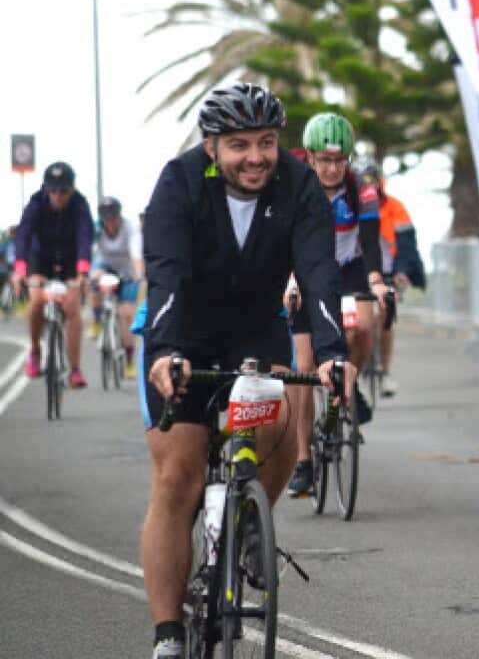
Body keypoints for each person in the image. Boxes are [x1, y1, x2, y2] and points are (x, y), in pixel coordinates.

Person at [140, 82, 354, 659]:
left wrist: (334, 354)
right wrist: (164, 351)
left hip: (255, 328)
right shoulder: (179, 183)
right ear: (212, 147)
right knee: (178, 478)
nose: (256, 156)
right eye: (239, 145)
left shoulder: (299, 183)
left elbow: (318, 274)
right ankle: (168, 635)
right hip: (182, 328)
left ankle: (252, 511)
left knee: (281, 412)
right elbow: (165, 274)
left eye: (265, 142)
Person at [284, 112, 387, 498]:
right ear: (309, 157)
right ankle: (303, 459)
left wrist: (377, 282)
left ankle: (351, 382)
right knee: (305, 367)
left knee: (363, 325)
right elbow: (285, 242)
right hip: (306, 271)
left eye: (339, 160)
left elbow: (372, 242)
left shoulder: (360, 189)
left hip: (349, 269)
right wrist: (291, 281)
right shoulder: (295, 189)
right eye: (324, 160)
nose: (331, 168)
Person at [11, 161, 94, 386]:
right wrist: (19, 271)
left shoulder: (80, 204)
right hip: (41, 259)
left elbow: (85, 236)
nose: (58, 195)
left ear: (72, 189)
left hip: (70, 260)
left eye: (64, 190)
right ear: (47, 189)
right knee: (37, 300)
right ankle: (36, 352)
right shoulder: (36, 203)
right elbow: (24, 235)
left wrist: (83, 272)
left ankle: (75, 369)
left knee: (72, 307)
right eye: (53, 190)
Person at [353, 157, 427, 398]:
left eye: (372, 180)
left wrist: (402, 273)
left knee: (386, 315)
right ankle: (353, 371)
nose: (368, 185)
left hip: (388, 271)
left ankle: (384, 372)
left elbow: (407, 245)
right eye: (362, 181)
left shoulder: (395, 207)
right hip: (355, 273)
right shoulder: (347, 204)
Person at [89, 196, 144, 378]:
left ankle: (128, 360)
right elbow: (92, 253)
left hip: (127, 272)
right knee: (93, 279)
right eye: (106, 218)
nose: (110, 222)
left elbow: (136, 254)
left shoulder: (131, 229)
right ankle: (97, 319)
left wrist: (138, 274)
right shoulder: (96, 229)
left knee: (127, 315)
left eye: (113, 217)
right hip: (105, 266)